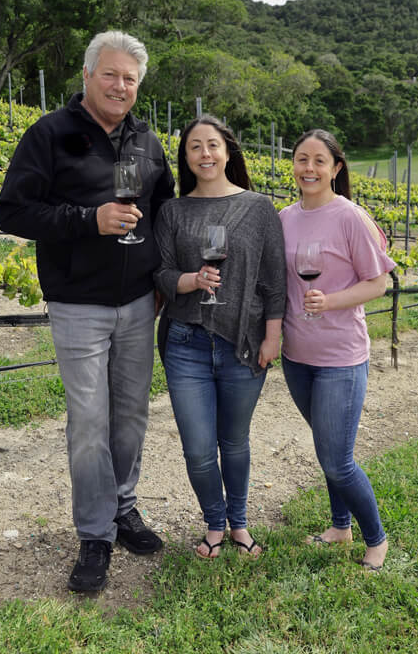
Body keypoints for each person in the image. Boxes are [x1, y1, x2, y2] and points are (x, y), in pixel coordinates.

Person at [0, 30, 175, 592]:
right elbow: (13, 212)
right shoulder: (50, 134)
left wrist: (165, 277)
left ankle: (124, 508)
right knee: (90, 423)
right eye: (111, 74)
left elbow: (166, 212)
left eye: (130, 79)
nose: (121, 86)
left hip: (139, 302)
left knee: (132, 415)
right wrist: (87, 221)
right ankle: (95, 534)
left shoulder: (147, 142)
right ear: (88, 75)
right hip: (77, 304)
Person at [153, 115, 286, 559]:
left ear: (228, 151)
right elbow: (162, 271)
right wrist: (189, 281)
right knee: (197, 449)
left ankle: (240, 526)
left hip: (242, 343)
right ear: (186, 157)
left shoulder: (258, 207)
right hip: (186, 344)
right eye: (195, 147)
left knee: (234, 442)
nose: (205, 154)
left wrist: (273, 335)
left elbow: (274, 280)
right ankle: (214, 523)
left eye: (213, 145)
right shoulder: (172, 211)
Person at [280, 129, 395, 571]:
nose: (308, 168)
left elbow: (378, 283)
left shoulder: (350, 217)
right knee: (326, 446)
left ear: (336, 168)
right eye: (301, 159)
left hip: (340, 358)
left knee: (336, 458)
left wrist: (329, 301)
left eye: (319, 161)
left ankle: (376, 537)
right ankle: (339, 526)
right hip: (297, 355)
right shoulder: (285, 217)